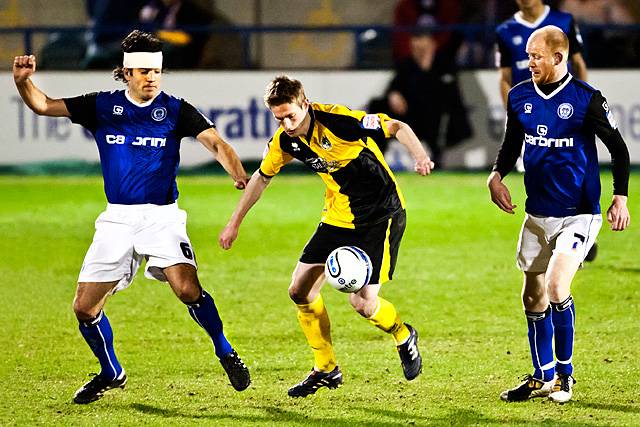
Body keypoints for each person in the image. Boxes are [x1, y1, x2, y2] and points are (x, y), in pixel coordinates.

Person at [13, 30, 251, 404]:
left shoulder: (176, 109)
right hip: (118, 219)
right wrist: (23, 82)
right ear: (126, 73)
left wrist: (236, 172)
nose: (150, 78)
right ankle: (111, 372)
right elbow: (44, 105)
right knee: (84, 308)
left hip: (162, 217)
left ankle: (225, 351)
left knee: (186, 288)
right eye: (142, 71)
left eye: (155, 71)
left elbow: (216, 143)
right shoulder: (101, 106)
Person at [219, 75, 434, 397]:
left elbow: (398, 127)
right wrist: (234, 223)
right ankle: (326, 368)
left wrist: (419, 156)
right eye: (279, 118)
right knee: (299, 291)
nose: (287, 124)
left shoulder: (338, 120)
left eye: (291, 115)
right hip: (338, 215)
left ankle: (403, 335)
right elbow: (261, 178)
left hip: (381, 214)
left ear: (305, 103)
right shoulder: (285, 141)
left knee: (362, 303)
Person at [487, 25, 630, 403]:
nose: (529, 62)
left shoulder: (586, 99)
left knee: (555, 288)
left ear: (558, 57)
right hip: (537, 215)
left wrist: (621, 198)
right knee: (531, 296)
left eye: (536, 56)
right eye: (528, 56)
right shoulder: (519, 97)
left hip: (578, 215)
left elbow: (619, 149)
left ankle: (565, 377)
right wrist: (496, 175)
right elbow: (511, 143)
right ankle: (541, 375)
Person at [495, 0, 599, 262]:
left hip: (564, 111)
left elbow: (578, 62)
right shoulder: (505, 30)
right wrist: (515, 114)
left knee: (572, 166)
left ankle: (579, 231)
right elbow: (505, 77)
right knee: (539, 172)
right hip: (529, 112)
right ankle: (557, 237)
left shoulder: (564, 21)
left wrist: (580, 106)